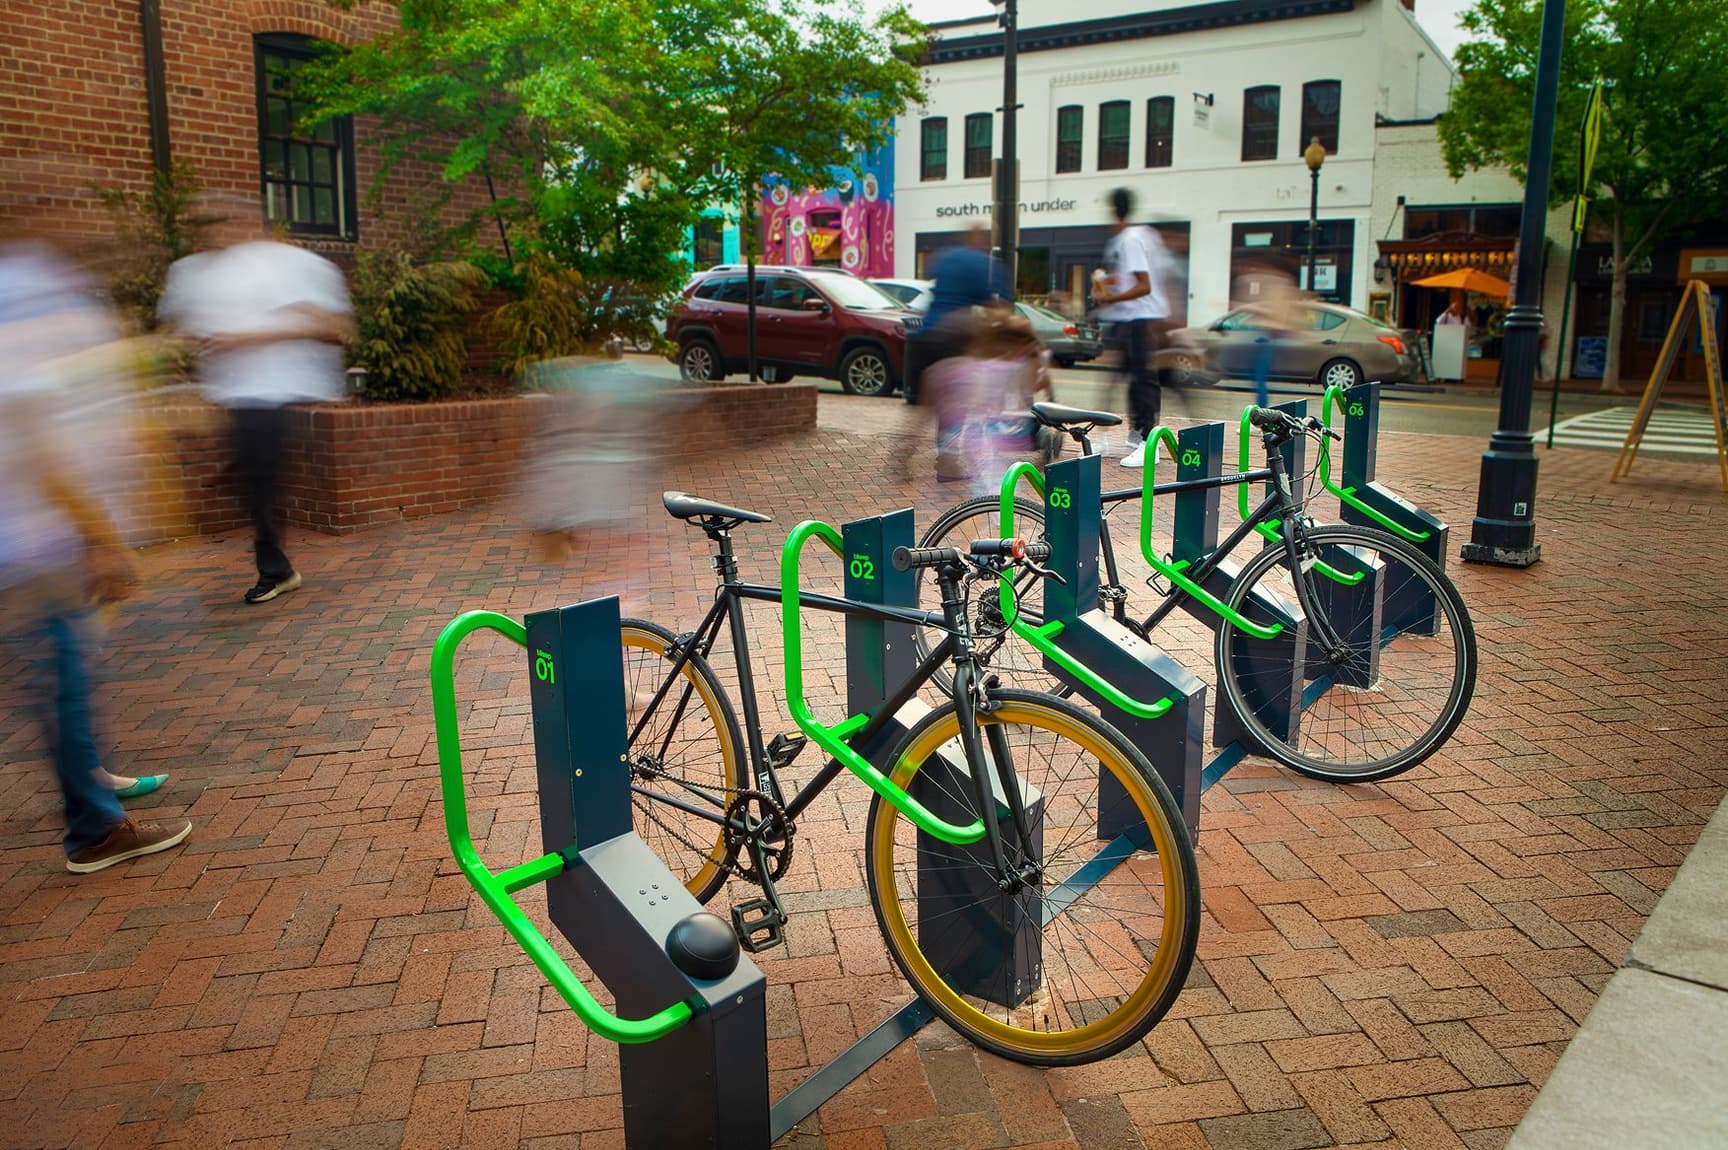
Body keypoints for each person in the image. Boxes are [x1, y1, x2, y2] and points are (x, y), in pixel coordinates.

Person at [0, 238, 192, 873]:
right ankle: (94, 829)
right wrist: (101, 535)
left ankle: (92, 777)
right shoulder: (19, 290)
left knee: (69, 660)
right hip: (29, 537)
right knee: (59, 672)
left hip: (37, 534)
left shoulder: (39, 283)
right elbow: (34, 439)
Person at [159, 198, 354, 604]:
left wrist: (249, 337)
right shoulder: (195, 273)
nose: (218, 232)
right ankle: (271, 553)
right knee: (252, 481)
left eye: (228, 222)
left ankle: (276, 569)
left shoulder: (285, 266)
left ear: (254, 223)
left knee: (260, 482)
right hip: (228, 397)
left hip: (273, 394)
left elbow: (334, 327)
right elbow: (173, 328)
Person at [1091, 189, 1170, 468]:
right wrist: (1109, 285)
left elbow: (1143, 285)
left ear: (1114, 211)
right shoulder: (1135, 238)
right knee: (1128, 380)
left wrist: (1109, 297)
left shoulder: (1131, 240)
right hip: (1131, 318)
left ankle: (1150, 443)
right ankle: (1137, 434)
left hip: (1141, 317)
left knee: (1143, 381)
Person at [903, 223, 1006, 406]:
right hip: (954, 340)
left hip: (927, 334)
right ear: (982, 240)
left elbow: (931, 273)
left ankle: (914, 432)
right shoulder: (982, 263)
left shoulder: (946, 256)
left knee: (925, 405)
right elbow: (992, 304)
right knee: (960, 401)